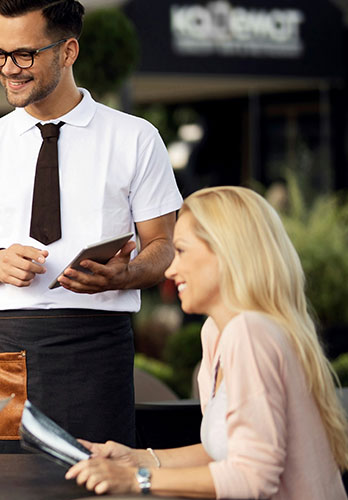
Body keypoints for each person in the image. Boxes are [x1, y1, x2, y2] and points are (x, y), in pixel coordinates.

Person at [0, 0, 182, 452]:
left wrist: (125, 274)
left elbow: (162, 246)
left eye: (25, 55)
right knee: (1, 484)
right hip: (4, 347)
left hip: (96, 350)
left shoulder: (135, 138)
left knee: (97, 482)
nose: (9, 68)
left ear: (68, 51)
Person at [66, 186, 348, 499]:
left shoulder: (251, 333)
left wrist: (137, 479)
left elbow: (253, 477)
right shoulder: (217, 332)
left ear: (228, 252)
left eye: (182, 251)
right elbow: (230, 450)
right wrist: (140, 458)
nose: (170, 270)